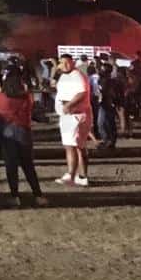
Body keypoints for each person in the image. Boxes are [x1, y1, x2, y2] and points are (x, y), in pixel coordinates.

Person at [0, 72, 47, 207]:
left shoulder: (1, 97)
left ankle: (15, 196)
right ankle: (38, 195)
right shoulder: (27, 97)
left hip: (7, 132)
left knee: (11, 166)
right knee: (28, 165)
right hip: (24, 131)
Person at [54, 54, 92, 187]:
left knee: (72, 146)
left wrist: (69, 104)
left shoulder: (77, 75)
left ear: (72, 62)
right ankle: (81, 176)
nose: (64, 65)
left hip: (75, 115)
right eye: (61, 62)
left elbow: (82, 93)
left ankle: (71, 174)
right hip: (67, 116)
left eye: (67, 62)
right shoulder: (64, 76)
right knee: (76, 146)